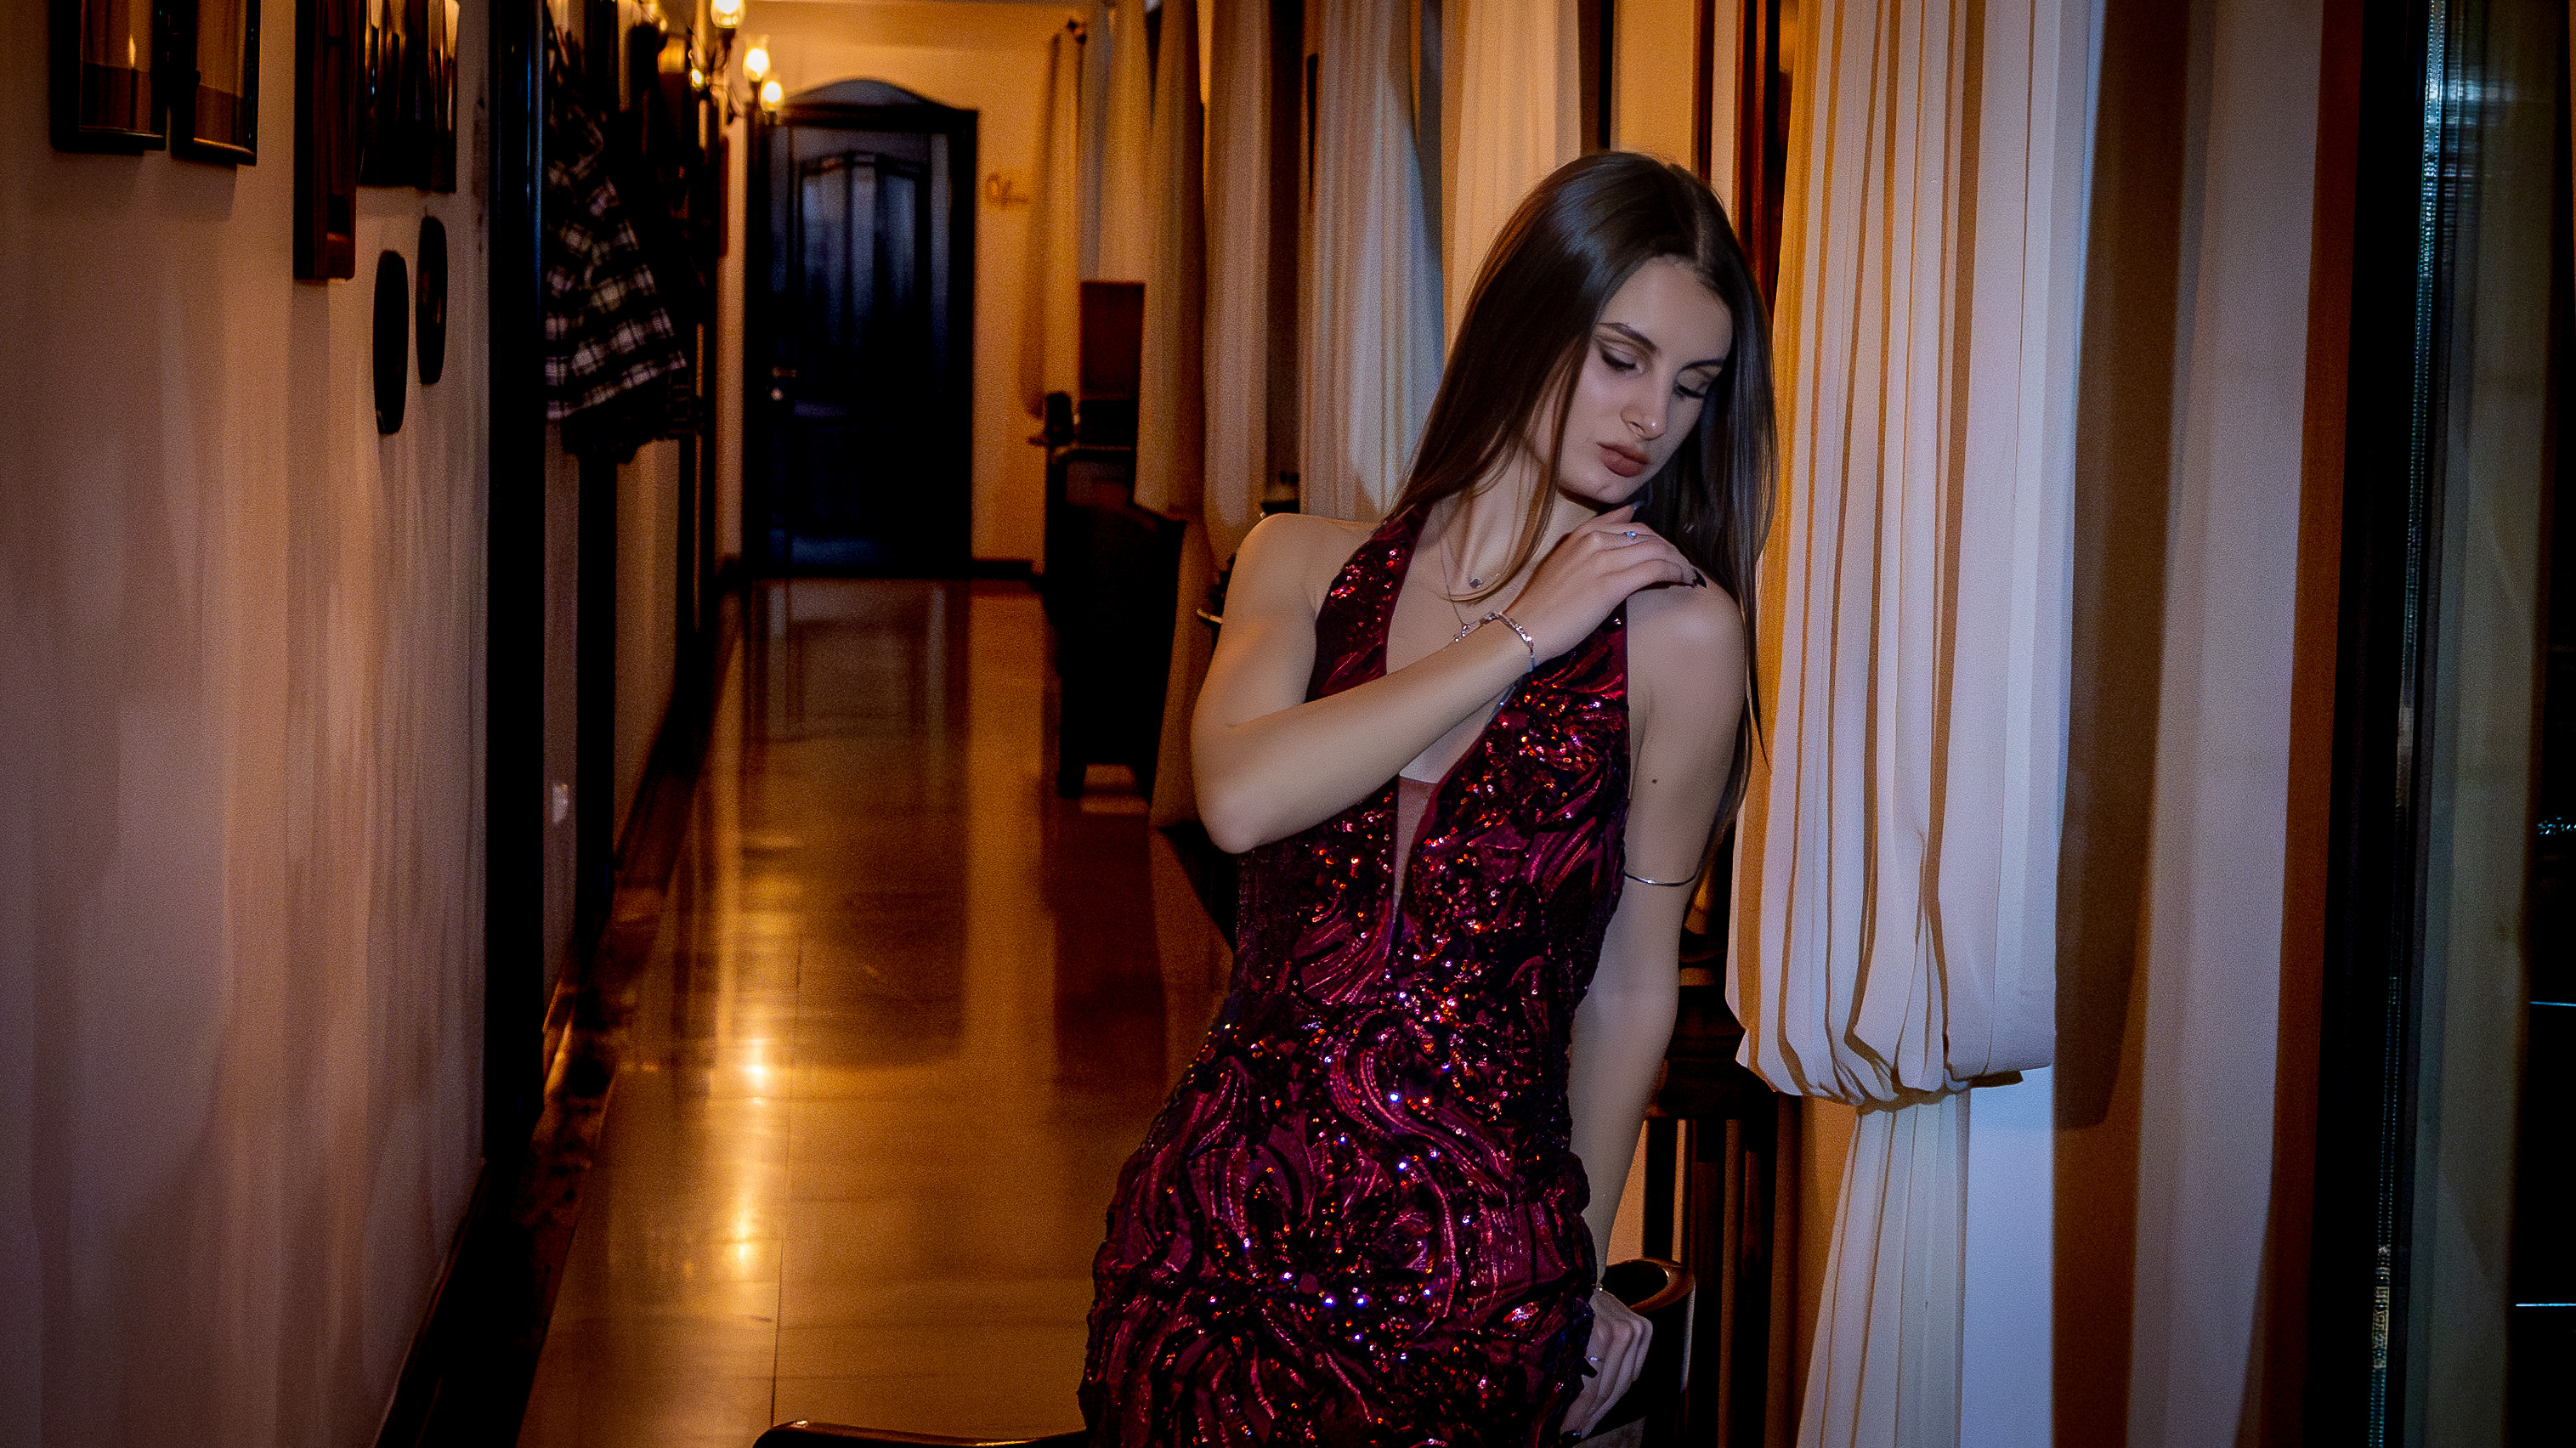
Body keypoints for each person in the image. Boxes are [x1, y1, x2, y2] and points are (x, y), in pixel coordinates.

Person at [1080, 151, 1776, 1446]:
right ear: (1524, 325)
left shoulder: (1683, 637)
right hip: (1210, 1241)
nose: (1652, 416)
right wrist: (1521, 631)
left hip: (1478, 1270)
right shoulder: (1300, 562)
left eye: (1692, 386)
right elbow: (1237, 799)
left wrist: (1573, 1262)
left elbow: (1632, 986)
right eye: (1620, 358)